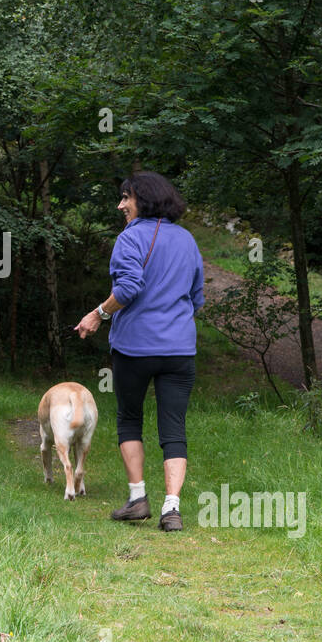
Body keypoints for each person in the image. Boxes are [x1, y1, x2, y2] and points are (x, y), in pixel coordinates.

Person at [73, 171, 204, 532]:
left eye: (125, 198)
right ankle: (172, 509)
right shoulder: (188, 240)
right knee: (174, 427)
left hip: (135, 349)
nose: (120, 205)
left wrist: (98, 315)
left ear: (143, 199)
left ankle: (137, 499)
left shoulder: (130, 238)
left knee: (130, 418)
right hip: (179, 351)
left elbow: (128, 287)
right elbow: (196, 299)